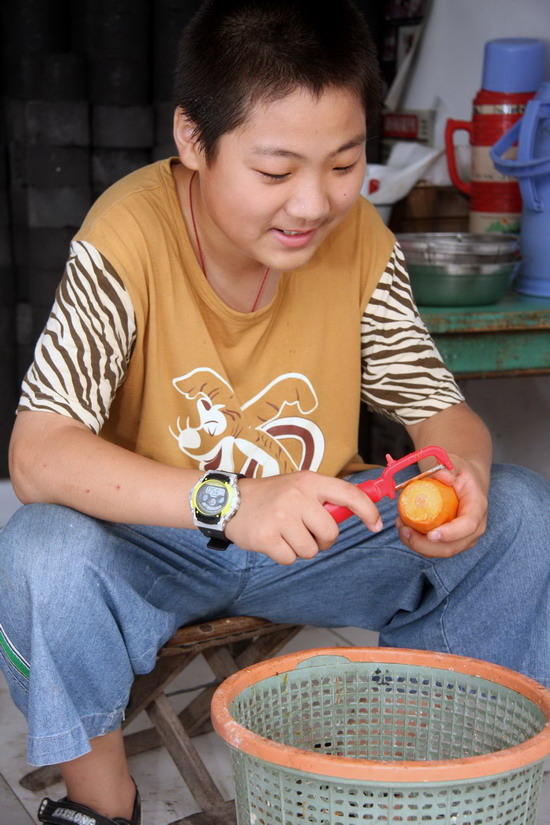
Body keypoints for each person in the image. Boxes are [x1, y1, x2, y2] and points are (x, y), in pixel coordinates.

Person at [1, 1, 549, 823]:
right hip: (162, 541)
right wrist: (233, 500)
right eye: (275, 170)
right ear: (193, 141)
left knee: (518, 511)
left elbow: (441, 409)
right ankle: (101, 809)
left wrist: (460, 473)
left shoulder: (357, 236)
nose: (312, 205)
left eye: (343, 164)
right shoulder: (127, 234)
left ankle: (402, 782)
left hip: (317, 534)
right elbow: (37, 456)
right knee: (40, 549)